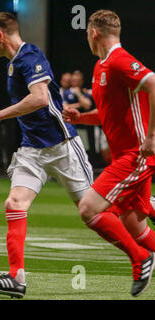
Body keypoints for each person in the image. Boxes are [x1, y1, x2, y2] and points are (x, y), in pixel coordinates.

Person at [0, 12, 93, 298]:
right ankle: (17, 278)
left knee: (94, 211)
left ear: (0, 35)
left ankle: (147, 206)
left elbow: (40, 98)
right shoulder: (14, 64)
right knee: (14, 203)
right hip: (32, 149)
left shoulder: (30, 56)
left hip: (61, 145)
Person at [63, 9, 155, 297]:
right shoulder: (101, 66)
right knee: (133, 224)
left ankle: (141, 259)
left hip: (136, 156)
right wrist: (81, 118)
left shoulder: (118, 60)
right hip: (125, 157)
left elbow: (153, 83)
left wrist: (151, 136)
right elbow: (107, 115)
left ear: (94, 34)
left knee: (88, 208)